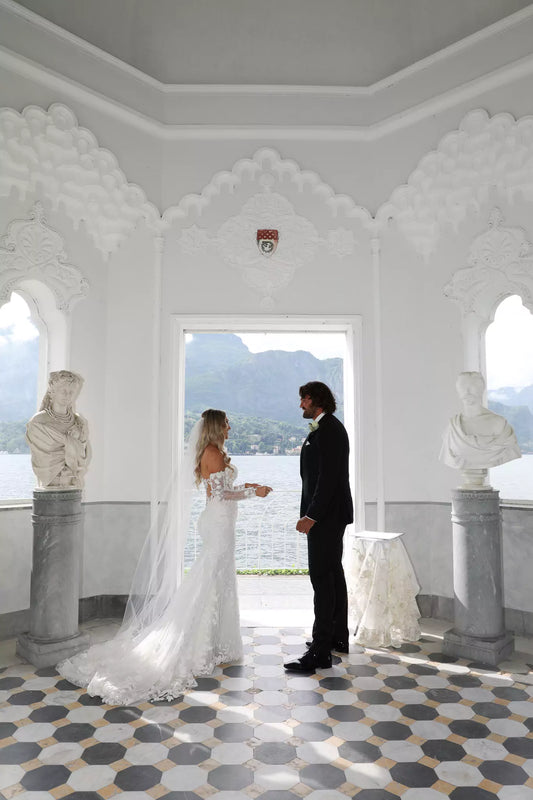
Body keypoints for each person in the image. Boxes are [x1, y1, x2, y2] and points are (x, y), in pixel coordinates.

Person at [58, 409, 272, 704]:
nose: (230, 427)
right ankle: (198, 644)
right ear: (215, 427)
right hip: (220, 522)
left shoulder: (212, 452)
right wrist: (253, 492)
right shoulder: (214, 452)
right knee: (210, 578)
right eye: (226, 423)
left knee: (215, 578)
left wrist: (246, 488)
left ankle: (211, 642)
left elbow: (220, 490)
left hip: (219, 520)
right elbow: (221, 495)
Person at [285, 381, 353, 672]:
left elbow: (328, 479)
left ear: (317, 401)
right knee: (333, 575)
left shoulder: (329, 431)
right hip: (331, 516)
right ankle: (337, 637)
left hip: (325, 517)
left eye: (304, 399)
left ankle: (320, 651)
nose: (301, 404)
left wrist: (311, 515)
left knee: (322, 580)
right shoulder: (326, 428)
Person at [440, 371, 521, 487]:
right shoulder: (452, 427)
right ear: (458, 391)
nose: (467, 391)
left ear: (481, 390)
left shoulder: (499, 424)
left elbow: (511, 447)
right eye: (463, 387)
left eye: (472, 387)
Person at [26, 370, 91, 489]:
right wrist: (70, 441)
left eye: (71, 392)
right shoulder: (39, 422)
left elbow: (83, 454)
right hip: (50, 484)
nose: (68, 395)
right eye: (64, 391)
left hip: (72, 484)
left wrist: (72, 442)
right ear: (52, 392)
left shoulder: (79, 423)